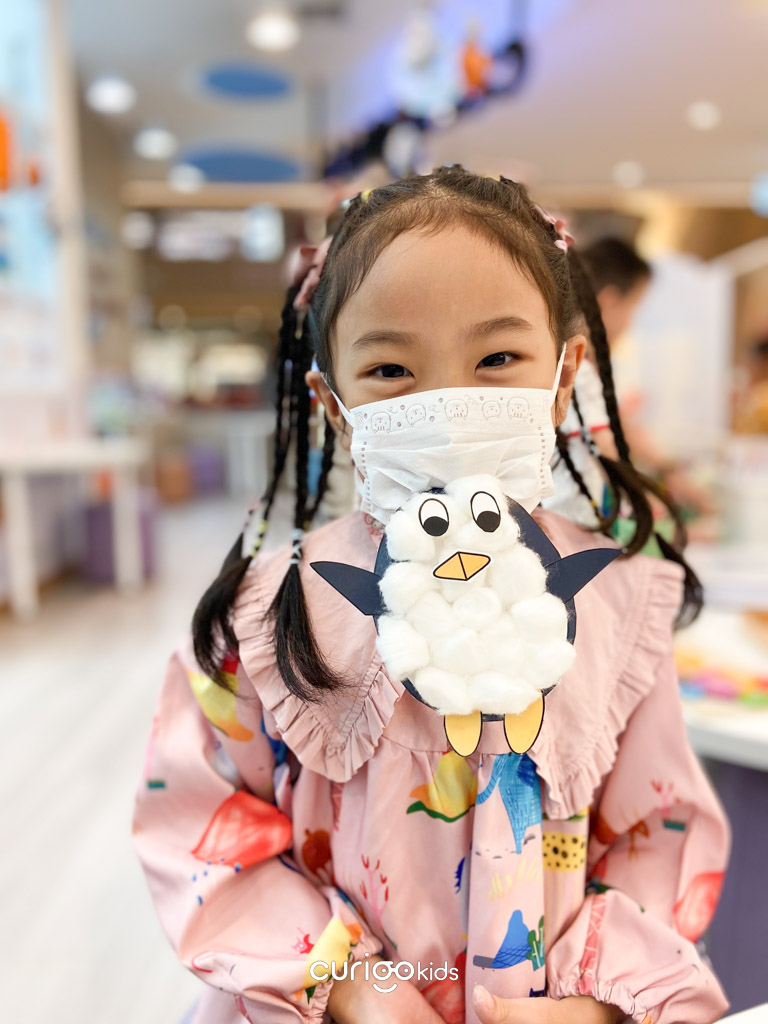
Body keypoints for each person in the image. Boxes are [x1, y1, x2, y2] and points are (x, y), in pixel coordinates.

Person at [132, 167, 729, 1024]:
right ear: (333, 404)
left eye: (497, 358)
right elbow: (198, 822)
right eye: (391, 367)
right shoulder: (266, 617)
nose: (449, 405)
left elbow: (658, 830)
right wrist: (350, 984)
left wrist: (597, 1005)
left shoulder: (616, 604)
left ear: (564, 375)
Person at [545, 238, 652, 528]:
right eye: (633, 308)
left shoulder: (551, 357)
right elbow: (606, 447)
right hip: (573, 520)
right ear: (610, 301)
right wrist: (639, 499)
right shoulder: (579, 370)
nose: (630, 324)